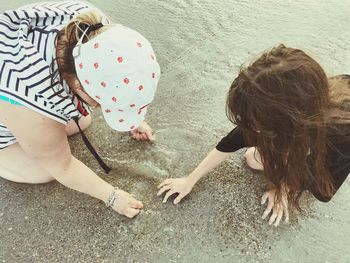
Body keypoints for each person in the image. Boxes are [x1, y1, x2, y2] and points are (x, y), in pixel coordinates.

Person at [158, 44, 350, 226]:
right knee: (253, 159)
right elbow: (232, 141)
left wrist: (281, 189)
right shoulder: (302, 99)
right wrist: (190, 179)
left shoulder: (342, 137)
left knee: (260, 160)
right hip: (301, 129)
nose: (251, 129)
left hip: (327, 146)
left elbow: (324, 191)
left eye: (257, 124)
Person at [0, 1, 160, 218]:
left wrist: (132, 116)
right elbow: (63, 167)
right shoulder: (32, 98)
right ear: (77, 84)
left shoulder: (95, 28)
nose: (101, 108)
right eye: (102, 103)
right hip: (14, 97)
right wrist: (111, 196)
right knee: (43, 170)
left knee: (83, 121)